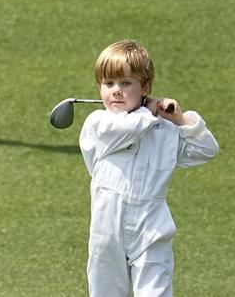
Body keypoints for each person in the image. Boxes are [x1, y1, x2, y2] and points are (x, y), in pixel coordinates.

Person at [78, 40, 220, 296]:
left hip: (151, 228)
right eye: (108, 84)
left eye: (125, 83)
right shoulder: (98, 123)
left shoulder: (164, 130)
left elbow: (206, 150)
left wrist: (179, 118)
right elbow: (127, 129)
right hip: (107, 229)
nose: (116, 91)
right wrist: (149, 110)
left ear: (145, 87)